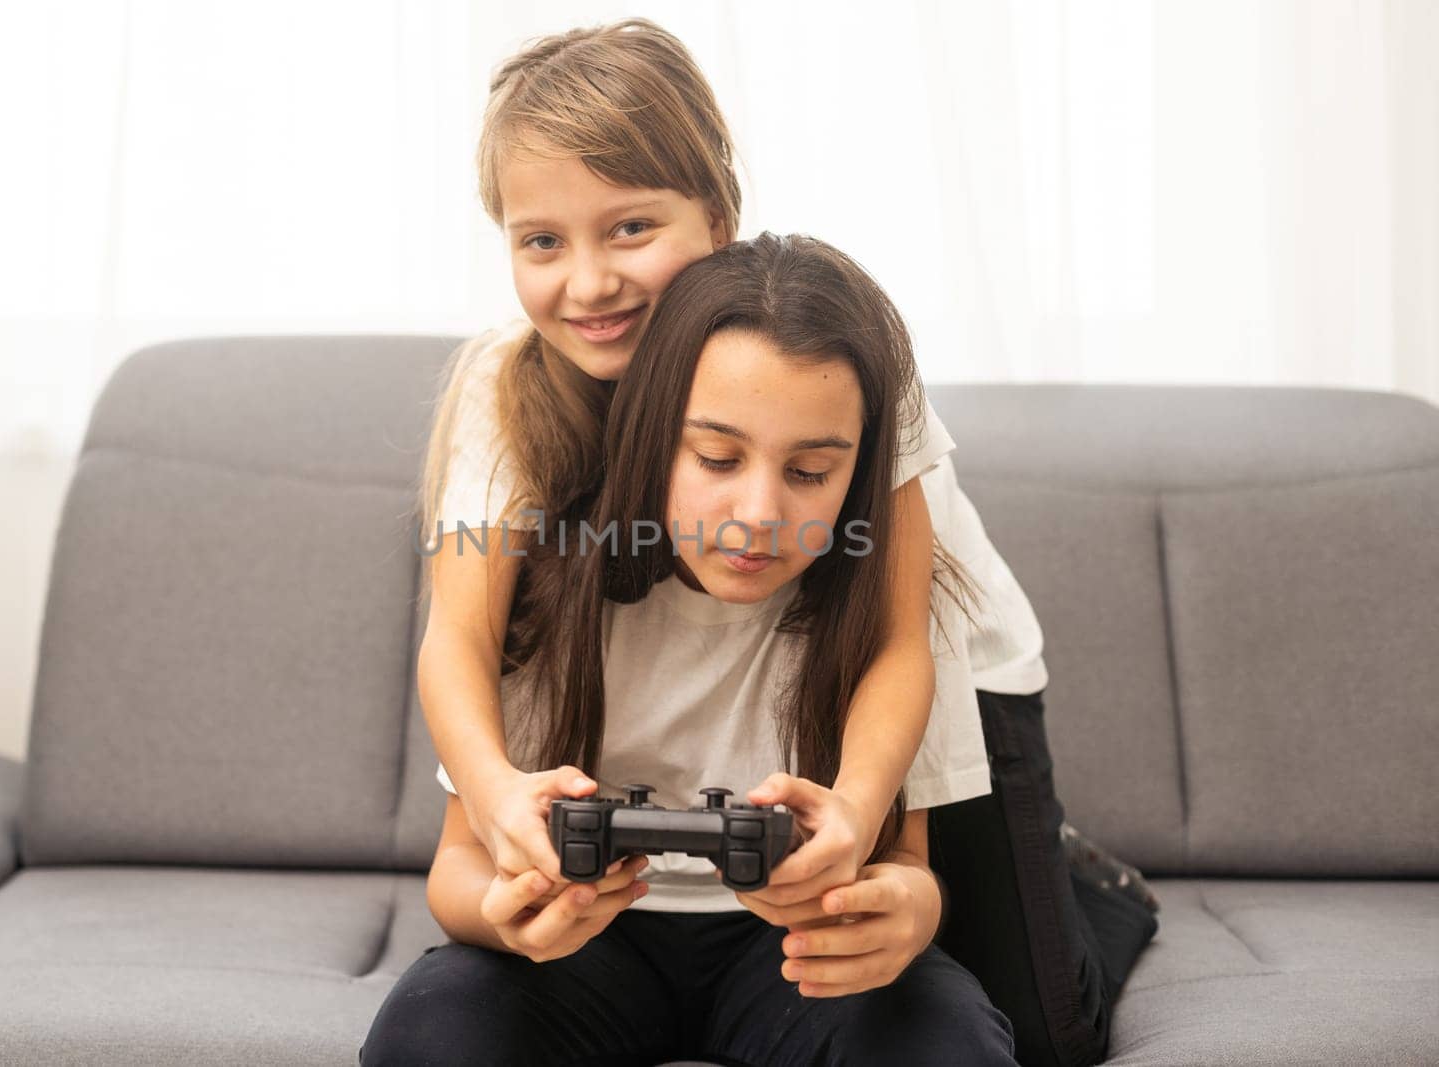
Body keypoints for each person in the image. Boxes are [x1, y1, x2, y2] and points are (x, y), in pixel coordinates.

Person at [408, 18, 1156, 1066]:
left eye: (630, 230)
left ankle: (1084, 885)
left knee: (1034, 1024)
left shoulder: (829, 354)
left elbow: (902, 634)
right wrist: (497, 805)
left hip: (955, 656)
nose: (590, 284)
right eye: (544, 241)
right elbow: (459, 638)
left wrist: (861, 815)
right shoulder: (519, 397)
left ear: (717, 217)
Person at [362, 232, 1018, 1066]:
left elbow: (911, 872)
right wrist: (503, 913)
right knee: (433, 1031)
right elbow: (456, 870)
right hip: (584, 954)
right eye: (716, 457)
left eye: (812, 472)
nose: (758, 512)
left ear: (862, 473)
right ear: (648, 432)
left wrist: (903, 911)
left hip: (791, 958)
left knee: (947, 1043)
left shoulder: (881, 614)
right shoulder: (540, 576)